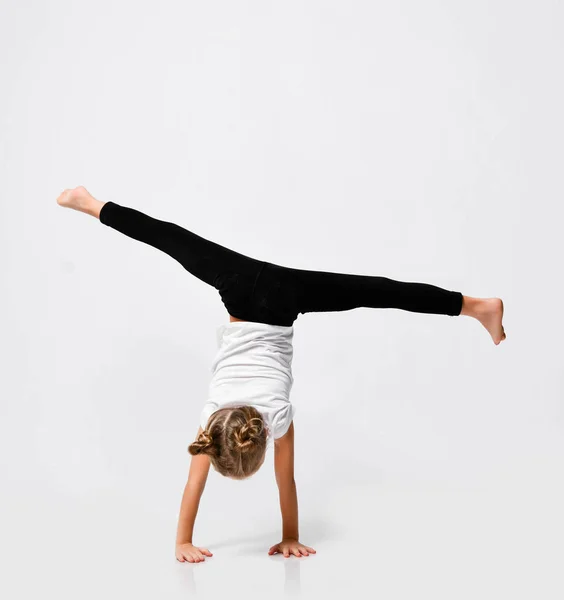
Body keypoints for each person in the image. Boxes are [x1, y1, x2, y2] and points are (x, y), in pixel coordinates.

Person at [56, 186, 506, 562]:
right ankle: (90, 203)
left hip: (284, 298)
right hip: (238, 284)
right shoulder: (212, 420)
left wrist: (288, 536)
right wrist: (181, 541)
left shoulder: (274, 417)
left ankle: (477, 307)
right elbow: (196, 483)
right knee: (172, 239)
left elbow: (284, 482)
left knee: (376, 292)